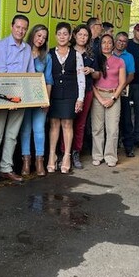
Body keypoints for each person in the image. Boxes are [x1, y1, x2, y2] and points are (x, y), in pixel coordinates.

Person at [0, 14, 34, 184]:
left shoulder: (27, 48)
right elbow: (1, 73)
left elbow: (31, 74)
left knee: (12, 135)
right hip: (3, 95)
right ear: (12, 27)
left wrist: (28, 96)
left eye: (24, 28)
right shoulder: (1, 45)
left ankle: (6, 168)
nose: (21, 30)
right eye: (18, 27)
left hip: (21, 97)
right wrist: (10, 99)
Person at [46, 22, 85, 173]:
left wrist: (80, 98)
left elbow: (81, 78)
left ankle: (67, 156)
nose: (62, 37)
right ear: (56, 36)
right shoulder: (49, 53)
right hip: (53, 94)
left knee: (68, 125)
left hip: (70, 94)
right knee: (54, 125)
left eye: (65, 34)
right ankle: (52, 156)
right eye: (59, 33)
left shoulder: (77, 55)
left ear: (70, 36)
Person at [65, 24, 101, 168]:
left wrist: (92, 70)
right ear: (74, 35)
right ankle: (64, 152)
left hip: (86, 92)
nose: (82, 37)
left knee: (80, 124)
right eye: (80, 34)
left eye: (85, 35)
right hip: (68, 93)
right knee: (66, 123)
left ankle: (76, 152)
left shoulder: (91, 54)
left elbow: (99, 74)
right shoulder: (67, 51)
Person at [19, 24, 52, 177]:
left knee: (39, 129)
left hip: (39, 97)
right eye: (39, 36)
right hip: (24, 97)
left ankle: (40, 161)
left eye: (44, 37)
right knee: (25, 130)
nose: (41, 39)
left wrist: (47, 100)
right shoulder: (23, 50)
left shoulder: (47, 56)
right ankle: (26, 161)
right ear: (33, 34)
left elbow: (49, 80)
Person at [91, 34, 127, 167]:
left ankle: (111, 156)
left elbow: (122, 82)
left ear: (113, 45)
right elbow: (92, 83)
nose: (106, 45)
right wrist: (100, 98)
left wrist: (113, 98)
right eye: (103, 43)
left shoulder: (119, 61)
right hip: (97, 96)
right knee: (97, 128)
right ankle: (97, 155)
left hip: (114, 96)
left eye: (109, 43)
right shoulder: (96, 60)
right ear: (100, 45)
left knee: (112, 129)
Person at [113, 32, 136, 157]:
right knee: (111, 122)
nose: (121, 43)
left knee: (126, 120)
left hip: (123, 92)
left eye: (124, 41)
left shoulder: (129, 56)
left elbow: (131, 75)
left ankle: (129, 147)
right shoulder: (107, 54)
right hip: (109, 91)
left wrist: (121, 85)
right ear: (115, 41)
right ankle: (112, 147)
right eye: (119, 40)